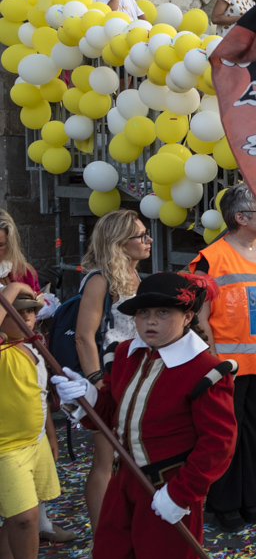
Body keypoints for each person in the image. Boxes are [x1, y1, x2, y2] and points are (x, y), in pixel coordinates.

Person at [52, 272, 236, 559]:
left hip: (167, 492)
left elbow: (218, 444)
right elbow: (110, 413)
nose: (150, 322)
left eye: (163, 313)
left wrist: (182, 494)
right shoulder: (125, 355)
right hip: (122, 484)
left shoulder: (205, 370)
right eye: (143, 313)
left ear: (187, 317)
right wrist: (83, 395)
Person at [189, 183, 256, 531]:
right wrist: (213, 359)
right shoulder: (211, 257)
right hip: (226, 366)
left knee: (254, 434)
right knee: (226, 436)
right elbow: (199, 317)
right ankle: (222, 504)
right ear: (240, 217)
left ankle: (247, 500)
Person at [77, 209, 151, 531]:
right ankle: (101, 536)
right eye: (141, 236)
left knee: (133, 454)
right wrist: (98, 384)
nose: (148, 240)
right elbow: (83, 336)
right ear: (120, 243)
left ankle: (126, 524)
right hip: (108, 377)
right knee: (105, 457)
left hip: (135, 373)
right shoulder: (99, 279)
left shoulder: (138, 277)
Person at [0, 283, 54, 559]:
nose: (27, 319)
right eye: (17, 313)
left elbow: (41, 395)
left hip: (34, 442)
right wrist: (16, 286)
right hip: (7, 447)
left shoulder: (33, 348)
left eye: (31, 311)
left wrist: (49, 434)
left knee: (16, 514)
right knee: (25, 518)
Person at [0, 211, 40, 294]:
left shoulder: (25, 273)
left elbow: (37, 305)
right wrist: (16, 288)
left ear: (9, 243)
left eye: (0, 245)